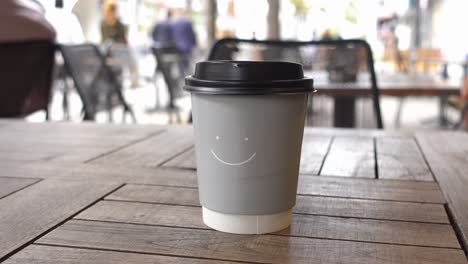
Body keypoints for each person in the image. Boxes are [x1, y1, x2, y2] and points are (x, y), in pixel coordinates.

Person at [100, 0, 139, 87]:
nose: (113, 12)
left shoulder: (119, 23)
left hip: (119, 51)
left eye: (114, 10)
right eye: (111, 10)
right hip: (108, 52)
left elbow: (124, 39)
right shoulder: (104, 24)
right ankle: (135, 82)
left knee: (132, 58)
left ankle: (135, 82)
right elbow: (104, 41)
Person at [171, 8, 197, 75]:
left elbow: (173, 35)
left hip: (177, 46)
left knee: (180, 63)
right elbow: (192, 34)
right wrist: (195, 44)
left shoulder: (175, 22)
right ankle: (185, 76)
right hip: (187, 46)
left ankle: (181, 74)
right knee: (187, 62)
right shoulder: (188, 22)